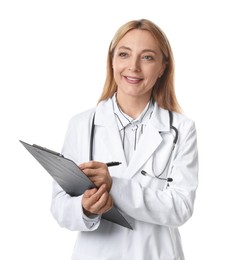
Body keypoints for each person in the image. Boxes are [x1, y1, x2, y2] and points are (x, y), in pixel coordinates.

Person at [51, 18, 198, 260]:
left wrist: (114, 186)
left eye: (147, 57)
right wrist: (85, 209)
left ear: (163, 67)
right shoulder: (82, 125)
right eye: (124, 54)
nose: (134, 67)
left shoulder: (181, 129)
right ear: (111, 61)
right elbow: (59, 206)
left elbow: (181, 208)